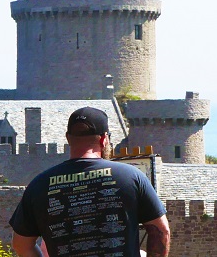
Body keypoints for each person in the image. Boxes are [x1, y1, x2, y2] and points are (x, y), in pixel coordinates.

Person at [10, 107, 171, 257]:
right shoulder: (131, 177)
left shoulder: (39, 185)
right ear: (104, 139)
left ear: (68, 139)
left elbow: (21, 245)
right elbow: (161, 231)